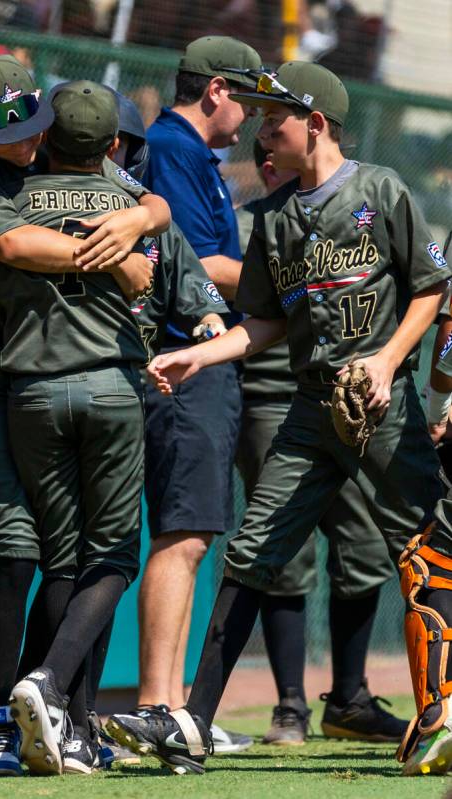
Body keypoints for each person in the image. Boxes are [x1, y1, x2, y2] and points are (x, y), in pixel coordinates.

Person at [108, 61, 452, 778]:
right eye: (260, 118)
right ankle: (193, 722)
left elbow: (429, 288)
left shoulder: (378, 188)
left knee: (424, 546)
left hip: (382, 408)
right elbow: (263, 321)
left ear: (315, 123)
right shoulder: (269, 218)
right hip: (310, 409)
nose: (262, 133)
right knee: (251, 550)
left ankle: (439, 710)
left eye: (275, 119)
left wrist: (389, 361)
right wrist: (197, 357)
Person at [0, 54, 170, 778]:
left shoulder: (56, 160)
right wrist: (111, 256)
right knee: (18, 548)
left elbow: (152, 206)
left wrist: (139, 215)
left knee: (64, 552)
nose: (27, 144)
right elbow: (4, 247)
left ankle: (59, 711)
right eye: (11, 133)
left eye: (35, 125)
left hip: (33, 364)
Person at [236, 141, 403, 745]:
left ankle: (351, 699)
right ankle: (287, 707)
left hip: (350, 396)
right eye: (261, 152)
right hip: (271, 394)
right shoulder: (258, 218)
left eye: (276, 145)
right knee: (280, 554)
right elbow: (216, 272)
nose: (270, 160)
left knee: (363, 548)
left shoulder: (363, 200)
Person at [125, 34, 261, 754]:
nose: (254, 112)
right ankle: (157, 703)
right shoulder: (172, 149)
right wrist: (294, 280)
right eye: (248, 94)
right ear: (216, 90)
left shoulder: (188, 152)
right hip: (182, 359)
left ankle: (171, 707)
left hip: (198, 360)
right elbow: (199, 260)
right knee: (181, 534)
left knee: (191, 534)